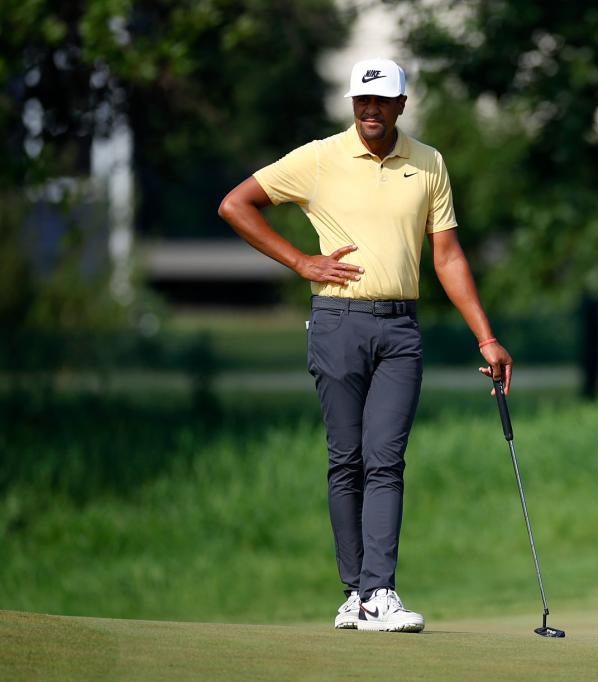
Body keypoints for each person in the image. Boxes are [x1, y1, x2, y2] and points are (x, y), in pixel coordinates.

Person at [218, 57, 512, 633]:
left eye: (381, 101)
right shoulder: (320, 157)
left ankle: (379, 589)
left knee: (386, 460)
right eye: (361, 100)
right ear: (352, 104)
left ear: (402, 104)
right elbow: (236, 204)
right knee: (345, 459)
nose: (370, 110)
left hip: (400, 329)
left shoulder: (428, 163)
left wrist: (488, 336)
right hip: (337, 322)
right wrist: (301, 260)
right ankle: (354, 594)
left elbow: (447, 256)